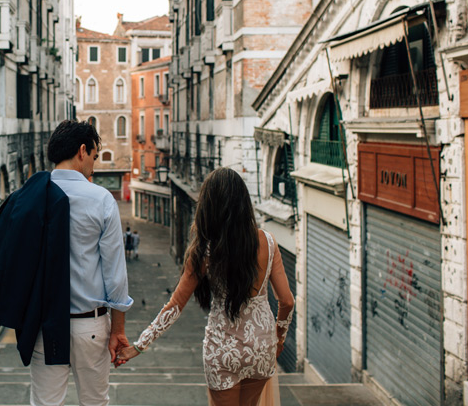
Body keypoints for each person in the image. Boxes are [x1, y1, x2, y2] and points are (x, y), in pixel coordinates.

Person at [116, 168, 294, 406]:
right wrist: (279, 339)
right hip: (261, 348)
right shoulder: (269, 243)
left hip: (222, 351)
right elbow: (287, 302)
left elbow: (175, 306)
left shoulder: (204, 252)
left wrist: (139, 345)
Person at [38, 120, 135, 405]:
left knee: (45, 403)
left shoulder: (32, 197)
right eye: (94, 156)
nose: (93, 164)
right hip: (89, 326)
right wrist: (118, 330)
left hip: (44, 325)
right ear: (82, 151)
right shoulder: (101, 199)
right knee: (94, 402)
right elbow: (115, 274)